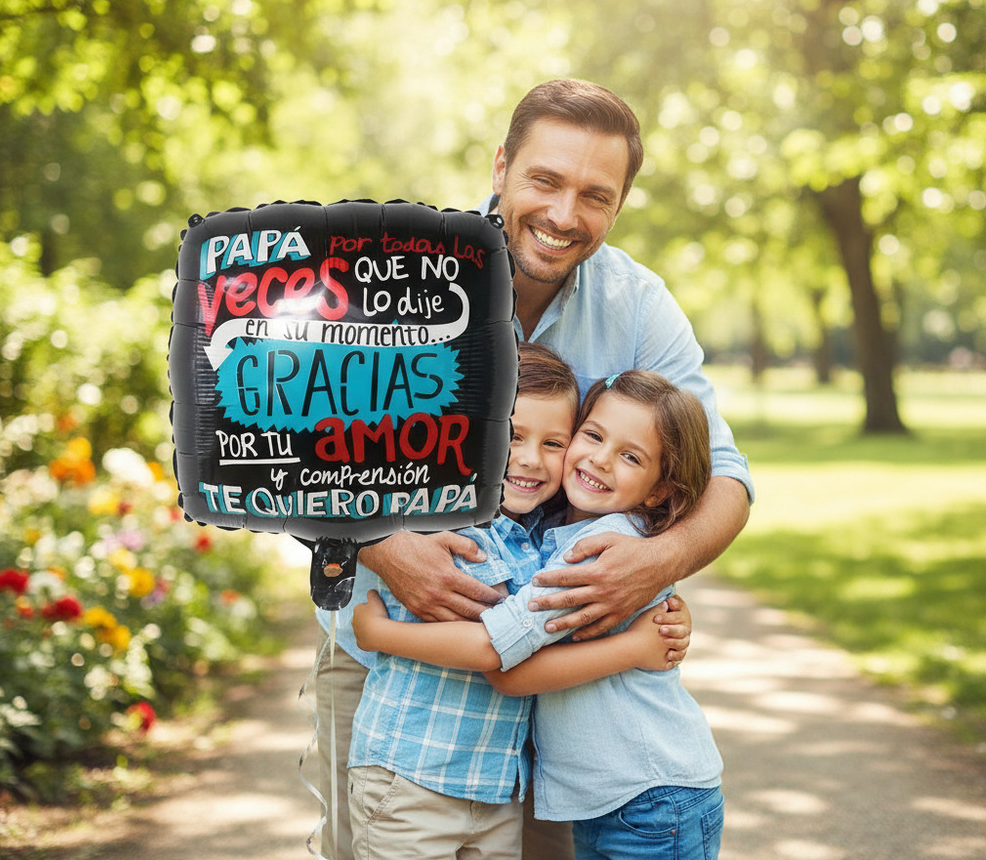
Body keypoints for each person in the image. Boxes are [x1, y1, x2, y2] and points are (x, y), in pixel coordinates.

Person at [314, 78, 753, 859]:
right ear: (501, 168)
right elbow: (290, 445)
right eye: (544, 180)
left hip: (554, 687)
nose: (562, 214)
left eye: (595, 195)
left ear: (617, 207)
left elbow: (724, 478)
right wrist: (380, 545)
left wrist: (652, 566)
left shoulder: (638, 306)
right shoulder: (393, 277)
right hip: (388, 670)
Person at [353, 370, 724, 860]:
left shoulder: (600, 551)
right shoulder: (553, 533)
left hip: (652, 794)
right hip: (617, 800)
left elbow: (502, 662)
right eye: (593, 436)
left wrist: (380, 632)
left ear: (659, 491)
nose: (600, 459)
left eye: (631, 456)